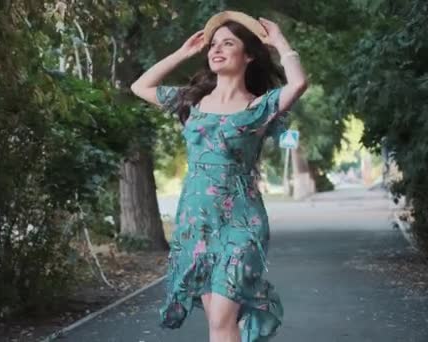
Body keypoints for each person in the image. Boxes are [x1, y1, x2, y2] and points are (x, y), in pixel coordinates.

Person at [130, 11, 308, 342]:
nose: (217, 49)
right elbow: (140, 86)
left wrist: (281, 42)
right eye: (214, 45)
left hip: (241, 224)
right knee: (219, 323)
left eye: (229, 43)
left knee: (222, 321)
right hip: (195, 224)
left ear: (249, 55)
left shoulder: (260, 106)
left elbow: (298, 84)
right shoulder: (190, 102)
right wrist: (183, 53)